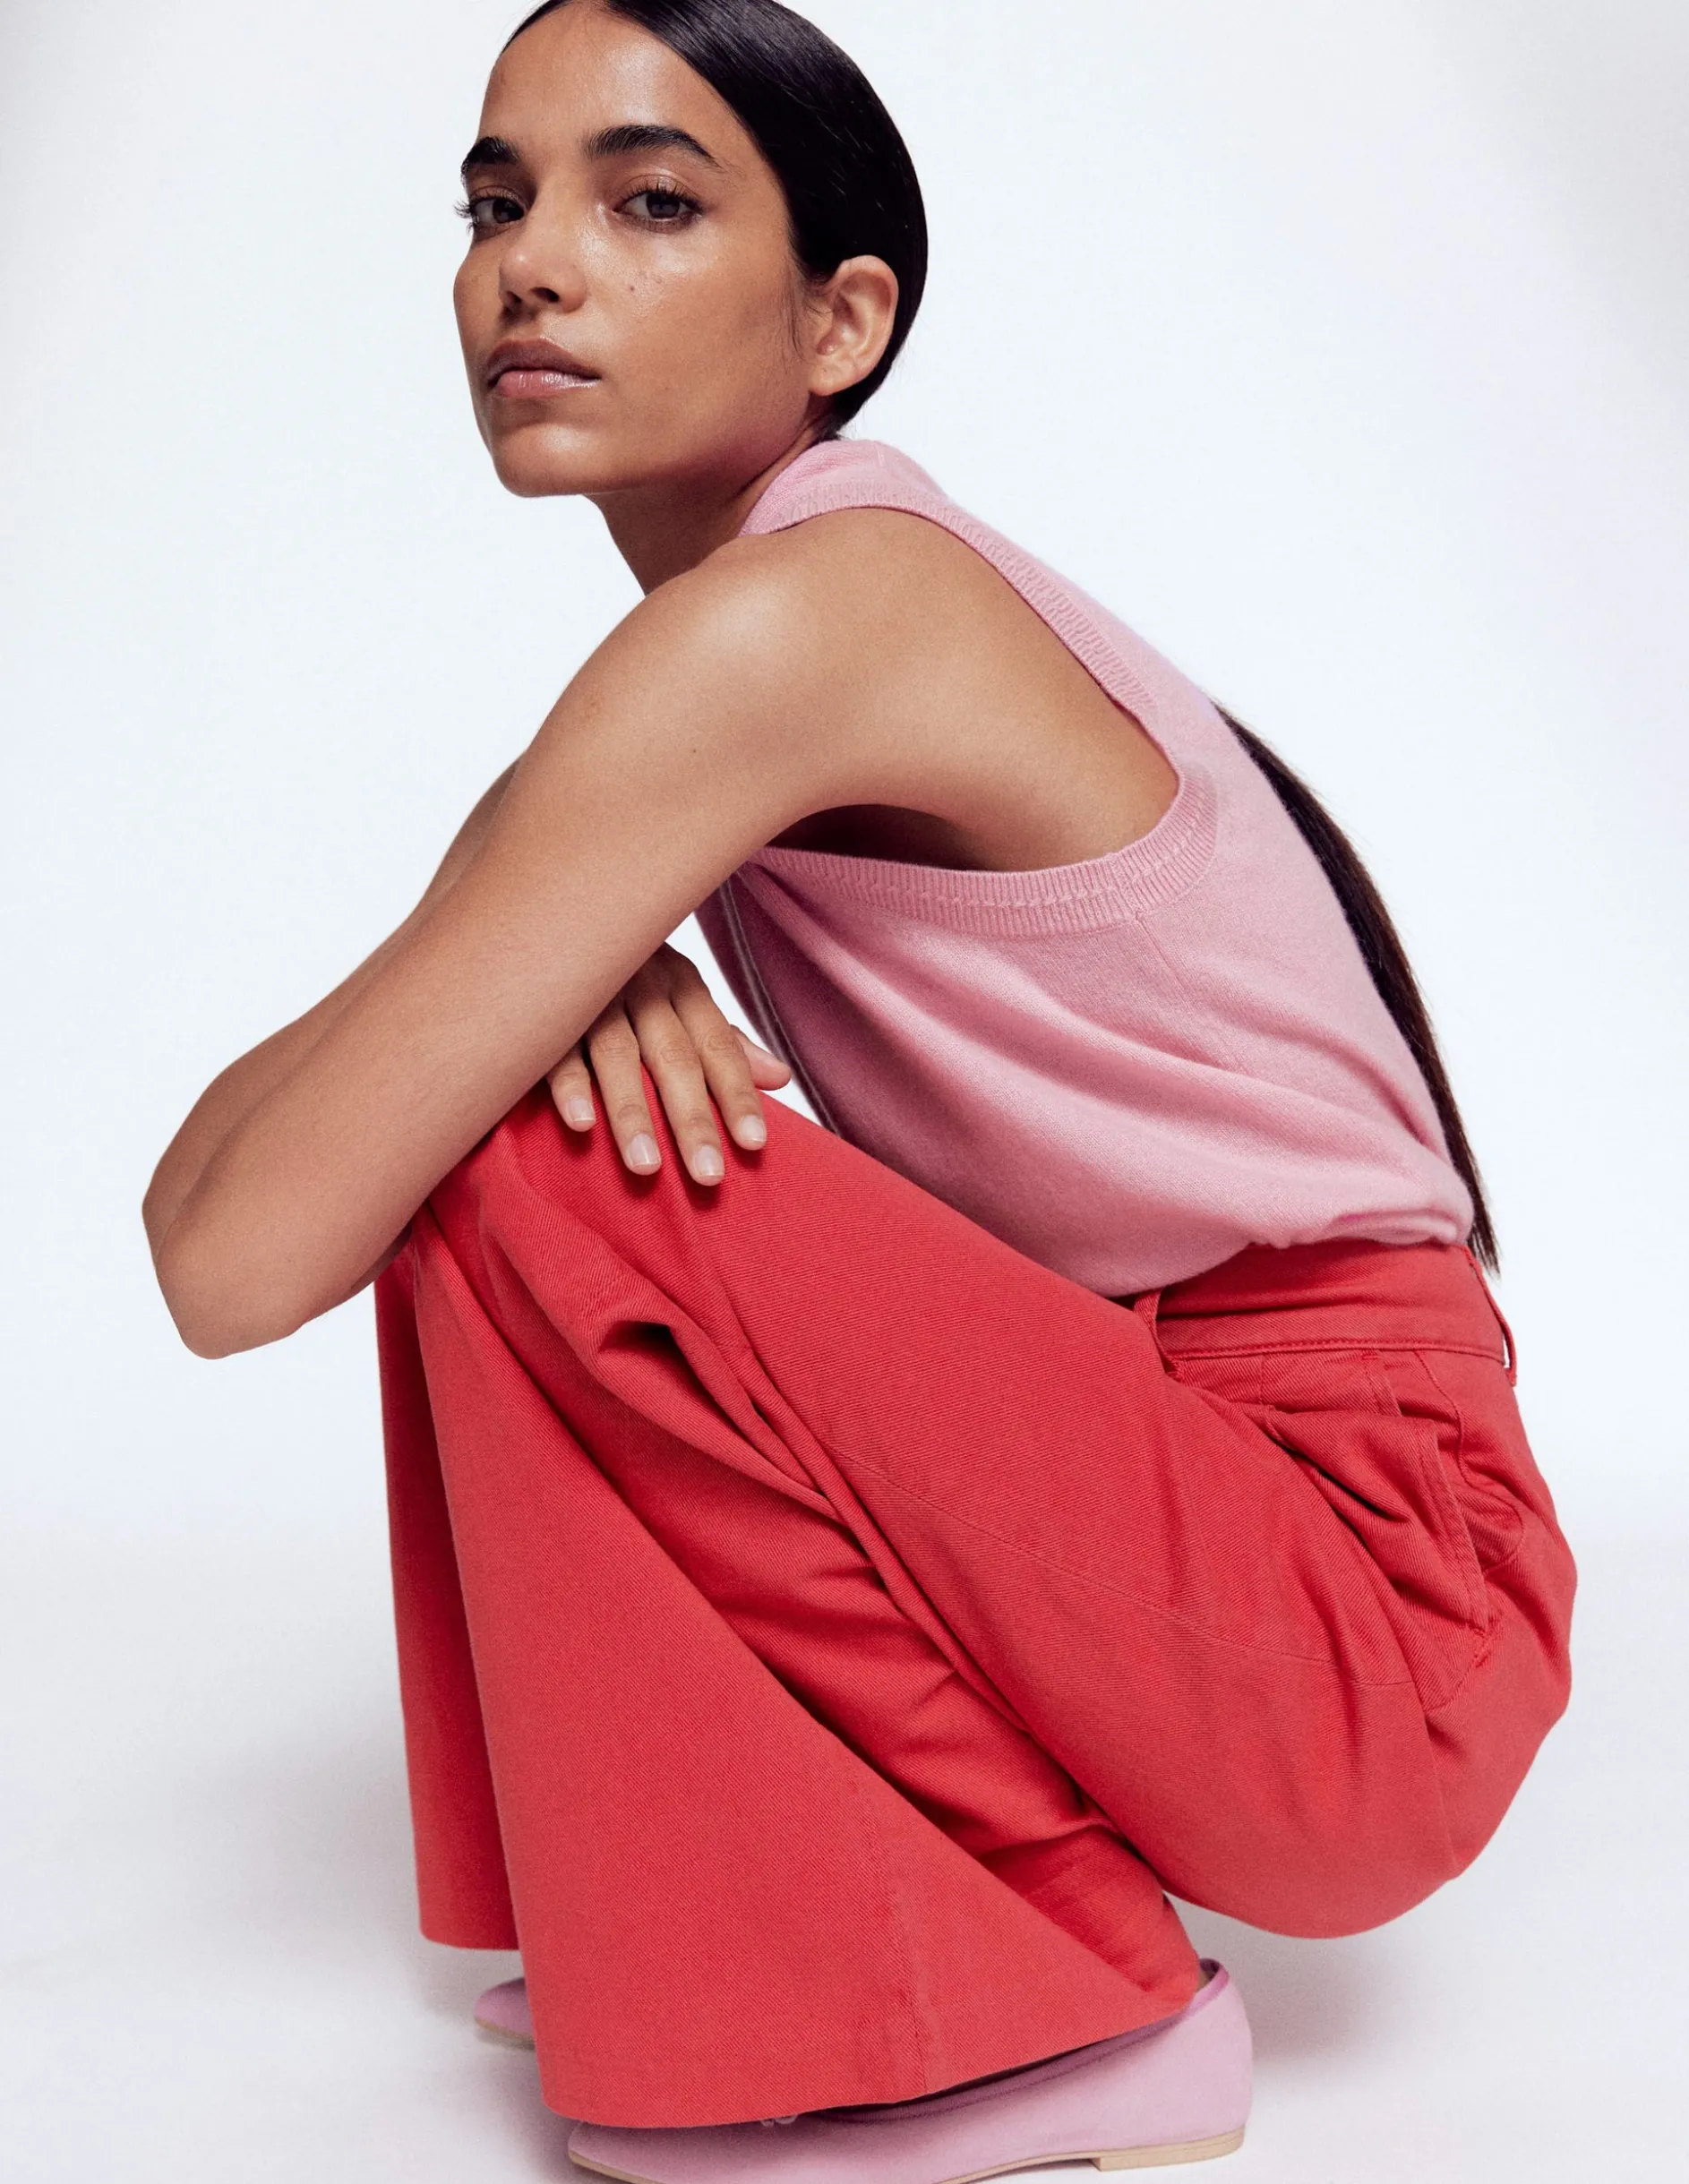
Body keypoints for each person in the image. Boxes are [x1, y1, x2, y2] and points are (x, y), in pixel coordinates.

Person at [142, 2, 1576, 2176]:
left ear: (841, 320)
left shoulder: (804, 621)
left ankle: (1055, 2005)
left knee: (525, 1142)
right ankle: (749, 1903)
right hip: (1215, 1508)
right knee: (500, 1102)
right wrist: (576, 969)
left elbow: (242, 1252)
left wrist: (534, 999)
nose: (534, 266)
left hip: (1364, 1605)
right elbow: (223, 1208)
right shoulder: (741, 643)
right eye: (494, 203)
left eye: (648, 201)